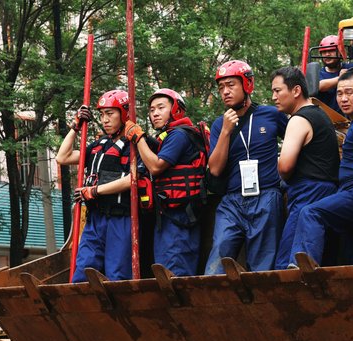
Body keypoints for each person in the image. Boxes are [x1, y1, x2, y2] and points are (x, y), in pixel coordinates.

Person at [289, 69, 353, 267]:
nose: (343, 98)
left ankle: (304, 268)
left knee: (310, 213)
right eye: (339, 93)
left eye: (349, 92)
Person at [204, 60, 288, 274]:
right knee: (216, 263)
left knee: (262, 268)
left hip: (266, 196)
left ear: (247, 84)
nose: (225, 92)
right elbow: (214, 169)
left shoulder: (272, 115)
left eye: (231, 85)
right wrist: (225, 131)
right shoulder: (218, 125)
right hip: (232, 201)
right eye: (221, 87)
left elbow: (297, 138)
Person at [56, 90, 136, 282]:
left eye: (110, 113)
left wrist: (94, 190)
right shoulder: (97, 145)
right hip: (94, 220)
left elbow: (131, 179)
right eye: (101, 114)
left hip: (120, 219)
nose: (105, 119)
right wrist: (76, 126)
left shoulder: (135, 143)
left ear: (124, 113)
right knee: (82, 273)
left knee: (117, 276)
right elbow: (62, 157)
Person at [124, 88, 204, 276]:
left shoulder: (179, 135)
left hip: (180, 218)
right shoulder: (166, 138)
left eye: (161, 107)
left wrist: (139, 138)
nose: (155, 113)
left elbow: (156, 166)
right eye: (152, 110)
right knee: (165, 270)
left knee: (175, 273)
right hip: (169, 216)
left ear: (175, 109)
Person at [271, 66, 340, 270]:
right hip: (327, 191)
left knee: (291, 265)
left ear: (296, 91)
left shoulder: (299, 119)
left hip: (308, 193)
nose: (274, 96)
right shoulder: (321, 116)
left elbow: (285, 166)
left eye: (277, 90)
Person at [316, 35, 353, 115]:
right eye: (324, 52)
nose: (327, 54)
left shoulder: (350, 68)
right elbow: (320, 86)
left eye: (331, 51)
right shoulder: (319, 74)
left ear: (341, 52)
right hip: (330, 122)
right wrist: (341, 78)